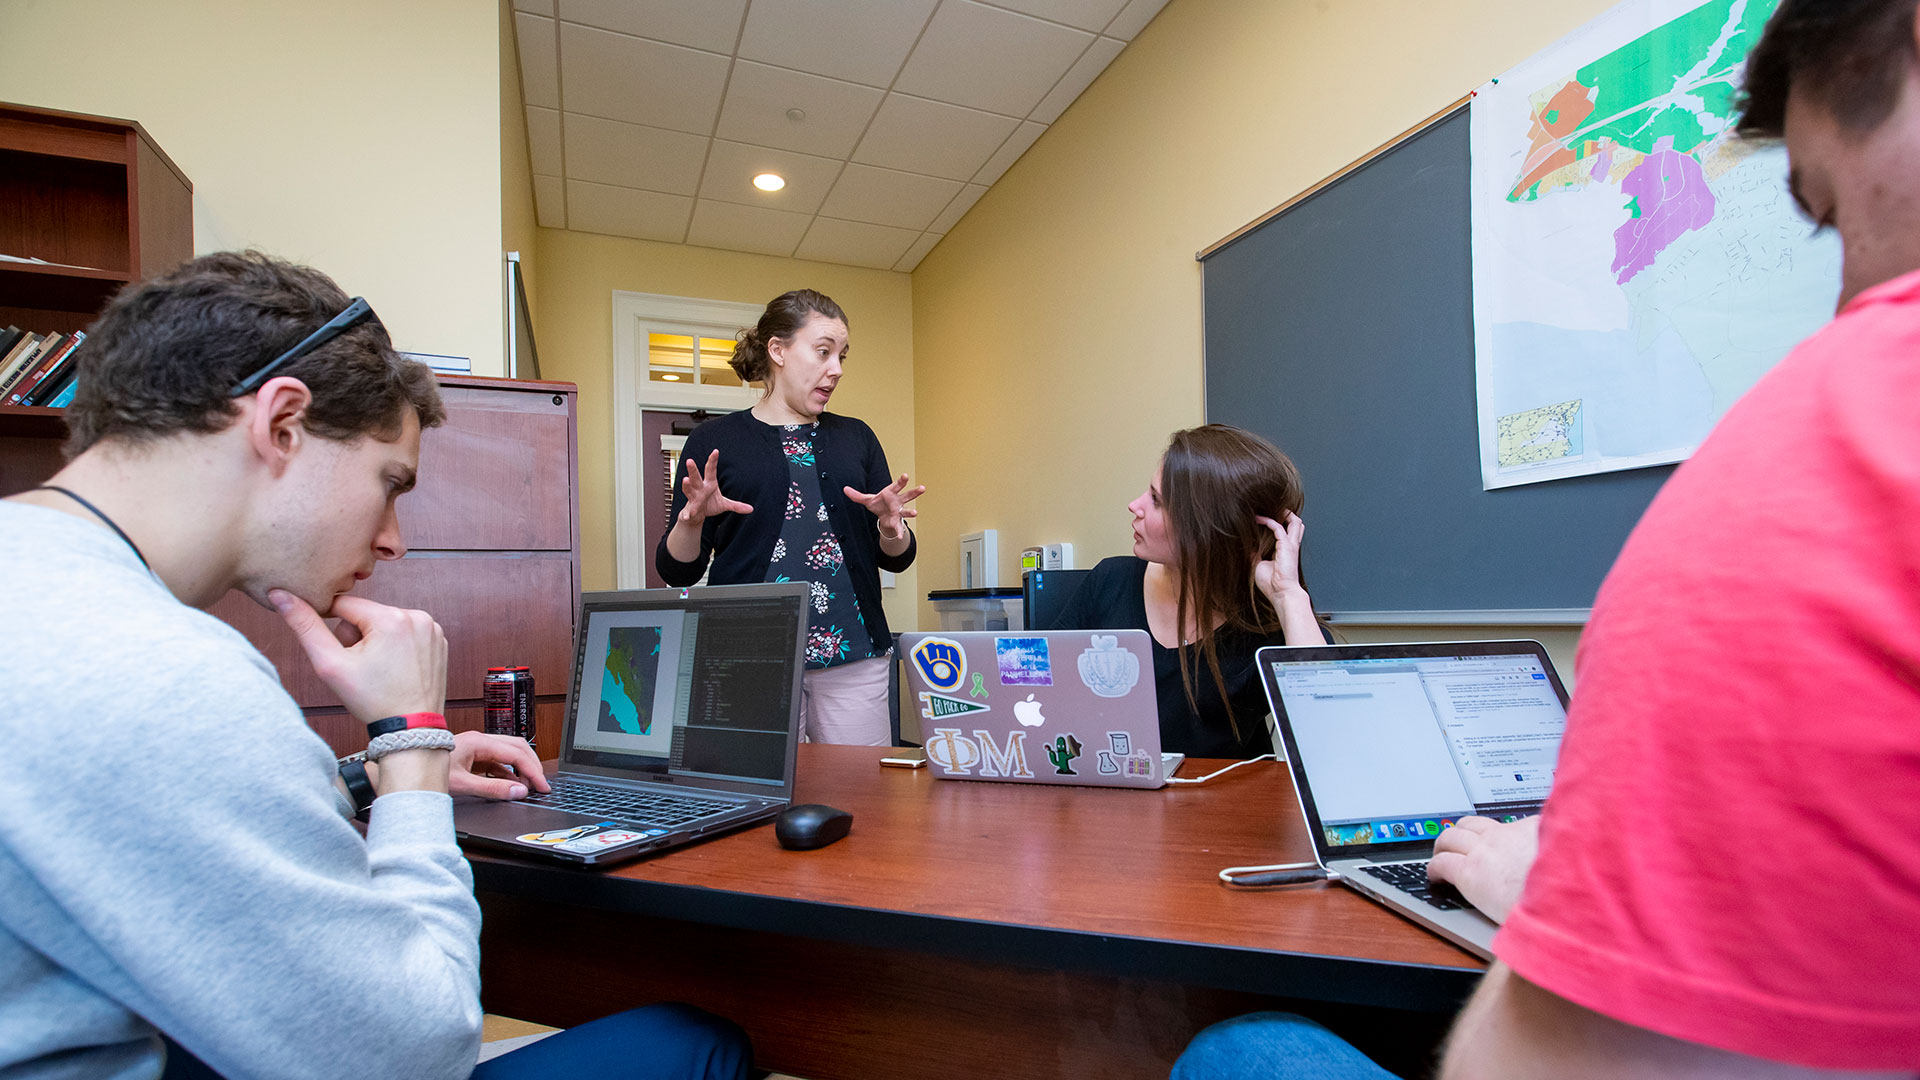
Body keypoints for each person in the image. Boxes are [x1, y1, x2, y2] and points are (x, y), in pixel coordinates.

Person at [1172, 0, 1920, 1075]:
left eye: (1834, 214)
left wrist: (1547, 894)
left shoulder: (1831, 445)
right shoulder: (1108, 591)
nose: (1847, 290)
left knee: (1241, 1050)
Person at [0, 251, 752, 1080]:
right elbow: (419, 1050)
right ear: (281, 423)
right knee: (695, 1041)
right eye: (390, 483)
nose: (393, 538)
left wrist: (370, 778)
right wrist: (412, 737)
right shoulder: (158, 672)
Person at [655, 289, 920, 746]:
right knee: (756, 798)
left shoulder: (857, 438)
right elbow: (677, 568)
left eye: (841, 356)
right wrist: (692, 521)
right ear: (777, 350)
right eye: (822, 352)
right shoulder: (714, 440)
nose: (835, 369)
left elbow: (895, 557)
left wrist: (892, 529)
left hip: (853, 655)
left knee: (861, 797)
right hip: (745, 658)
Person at [1049, 424, 1326, 758]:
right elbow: (1039, 689)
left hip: (1227, 809)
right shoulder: (1110, 581)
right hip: (1116, 801)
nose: (1134, 505)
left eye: (1156, 501)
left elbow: (1329, 738)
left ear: (1208, 531)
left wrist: (1287, 595)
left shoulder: (1266, 623)